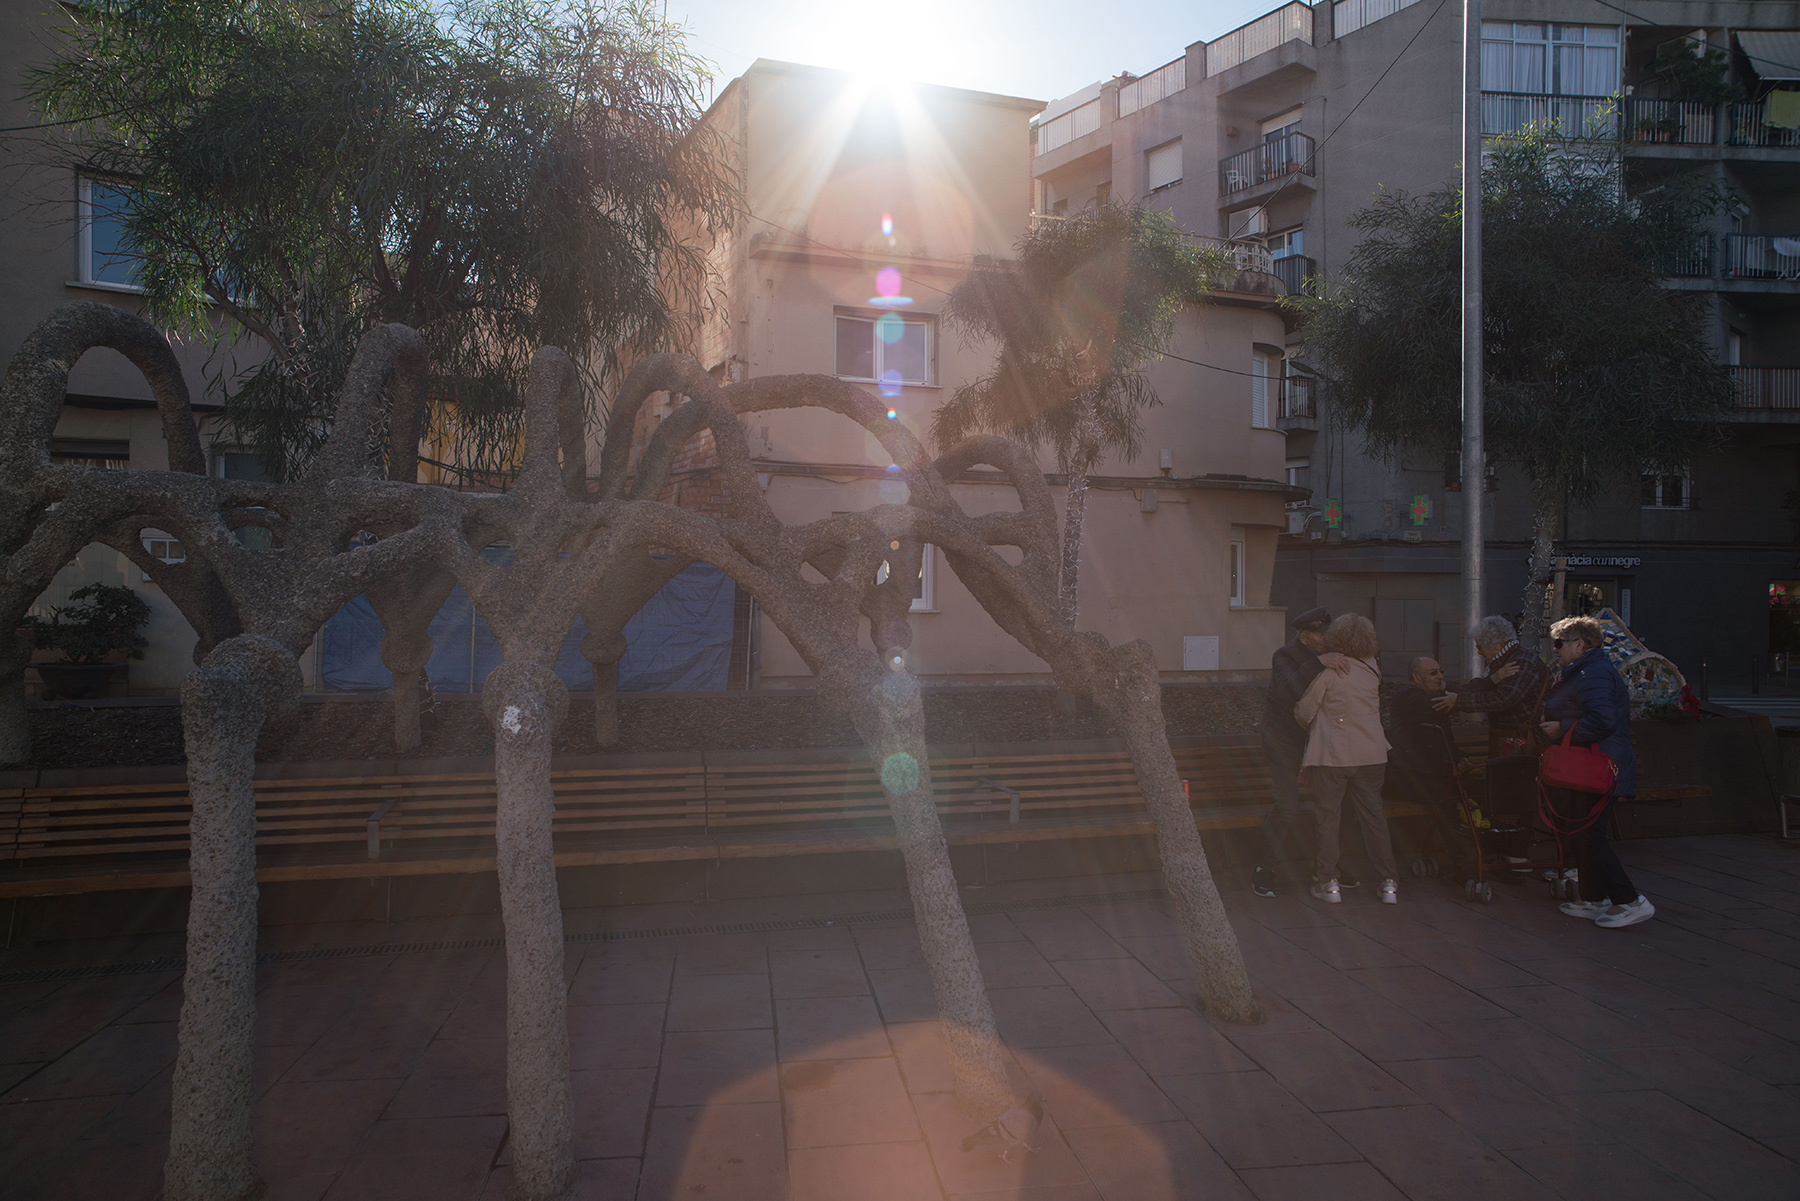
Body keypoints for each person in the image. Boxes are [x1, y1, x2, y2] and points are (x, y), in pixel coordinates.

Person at [1541, 615, 1652, 928]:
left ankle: (1629, 900)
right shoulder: (1585, 671)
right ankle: (1593, 897)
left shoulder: (1594, 672)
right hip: (1592, 766)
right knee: (1581, 831)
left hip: (1598, 768)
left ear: (1580, 645)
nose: (1555, 649)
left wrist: (1562, 728)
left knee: (1589, 833)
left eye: (1559, 643)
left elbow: (1603, 719)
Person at [1294, 614, 1399, 905]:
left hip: (1332, 756)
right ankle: (1388, 883)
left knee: (1328, 818)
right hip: (1372, 754)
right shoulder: (1372, 669)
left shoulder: (1330, 673)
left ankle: (1329, 883)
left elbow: (1304, 712)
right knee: (1374, 817)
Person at [1254, 607, 1351, 897]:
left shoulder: (1332, 652)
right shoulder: (1284, 655)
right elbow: (1290, 690)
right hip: (1283, 742)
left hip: (1318, 741)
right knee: (1287, 805)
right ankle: (1264, 868)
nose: (1326, 639)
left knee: (1333, 803)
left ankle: (1325, 869)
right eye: (1320, 635)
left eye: (1328, 633)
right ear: (1303, 636)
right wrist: (1320, 662)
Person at [1384, 655, 1477, 882]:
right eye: (1433, 673)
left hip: (1429, 776)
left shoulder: (1433, 704)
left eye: (1441, 671)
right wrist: (1489, 681)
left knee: (1464, 794)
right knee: (1445, 800)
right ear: (1416, 677)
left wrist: (1461, 759)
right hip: (1404, 778)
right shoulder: (1409, 696)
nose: (1440, 677)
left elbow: (1446, 742)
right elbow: (1441, 701)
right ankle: (1461, 864)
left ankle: (1469, 861)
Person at [1441, 615, 1550, 758]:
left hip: (1521, 740)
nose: (1479, 652)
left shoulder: (1521, 662)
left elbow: (1503, 699)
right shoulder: (1507, 660)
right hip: (1511, 737)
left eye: (1480, 647)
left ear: (1497, 645)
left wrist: (1459, 701)